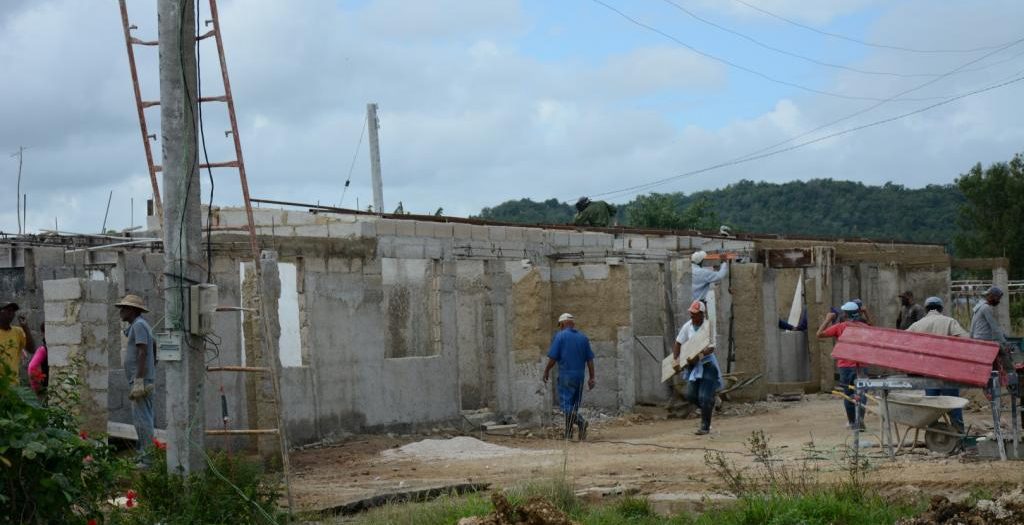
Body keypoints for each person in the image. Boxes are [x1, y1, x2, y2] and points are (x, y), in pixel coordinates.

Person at [907, 296, 968, 430]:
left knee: (931, 406)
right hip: (948, 370)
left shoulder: (917, 324)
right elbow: (965, 339)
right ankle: (959, 433)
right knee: (953, 403)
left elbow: (904, 340)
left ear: (926, 309)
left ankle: (934, 435)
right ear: (941, 308)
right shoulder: (949, 322)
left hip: (928, 371)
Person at [117, 294, 157, 467]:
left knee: (143, 420)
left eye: (124, 308)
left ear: (132, 310)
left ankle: (147, 459)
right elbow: (153, 346)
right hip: (140, 378)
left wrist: (140, 379)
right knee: (140, 419)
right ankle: (142, 454)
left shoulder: (139, 325)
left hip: (140, 380)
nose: (121, 311)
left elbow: (143, 351)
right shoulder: (139, 325)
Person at [543, 313, 596, 441]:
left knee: (566, 406)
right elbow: (590, 360)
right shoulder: (583, 338)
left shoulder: (560, 336)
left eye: (559, 325)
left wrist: (546, 371)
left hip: (566, 375)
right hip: (579, 376)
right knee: (573, 406)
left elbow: (553, 358)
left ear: (562, 324)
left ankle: (582, 423)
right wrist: (592, 377)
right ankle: (569, 434)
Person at [816, 301, 868, 430]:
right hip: (861, 365)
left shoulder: (840, 327)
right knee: (861, 393)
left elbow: (819, 334)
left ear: (845, 314)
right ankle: (860, 419)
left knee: (848, 393)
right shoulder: (864, 327)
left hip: (845, 366)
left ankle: (852, 422)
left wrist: (827, 319)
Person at [673, 300, 720, 435]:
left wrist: (698, 355)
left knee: (704, 397)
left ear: (702, 314)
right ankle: (709, 405)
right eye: (691, 314)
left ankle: (705, 426)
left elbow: (711, 348)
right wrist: (676, 360)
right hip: (694, 367)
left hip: (707, 365)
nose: (692, 316)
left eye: (694, 314)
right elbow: (678, 343)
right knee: (691, 395)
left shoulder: (708, 327)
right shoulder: (687, 326)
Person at [0, 301, 34, 382]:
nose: (12, 313)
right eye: (8, 310)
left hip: (13, 386)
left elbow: (32, 349)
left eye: (13, 311)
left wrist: (25, 327)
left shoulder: (18, 332)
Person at [27, 322, 49, 402]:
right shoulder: (43, 350)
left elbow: (32, 367)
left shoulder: (44, 349)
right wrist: (37, 389)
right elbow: (32, 368)